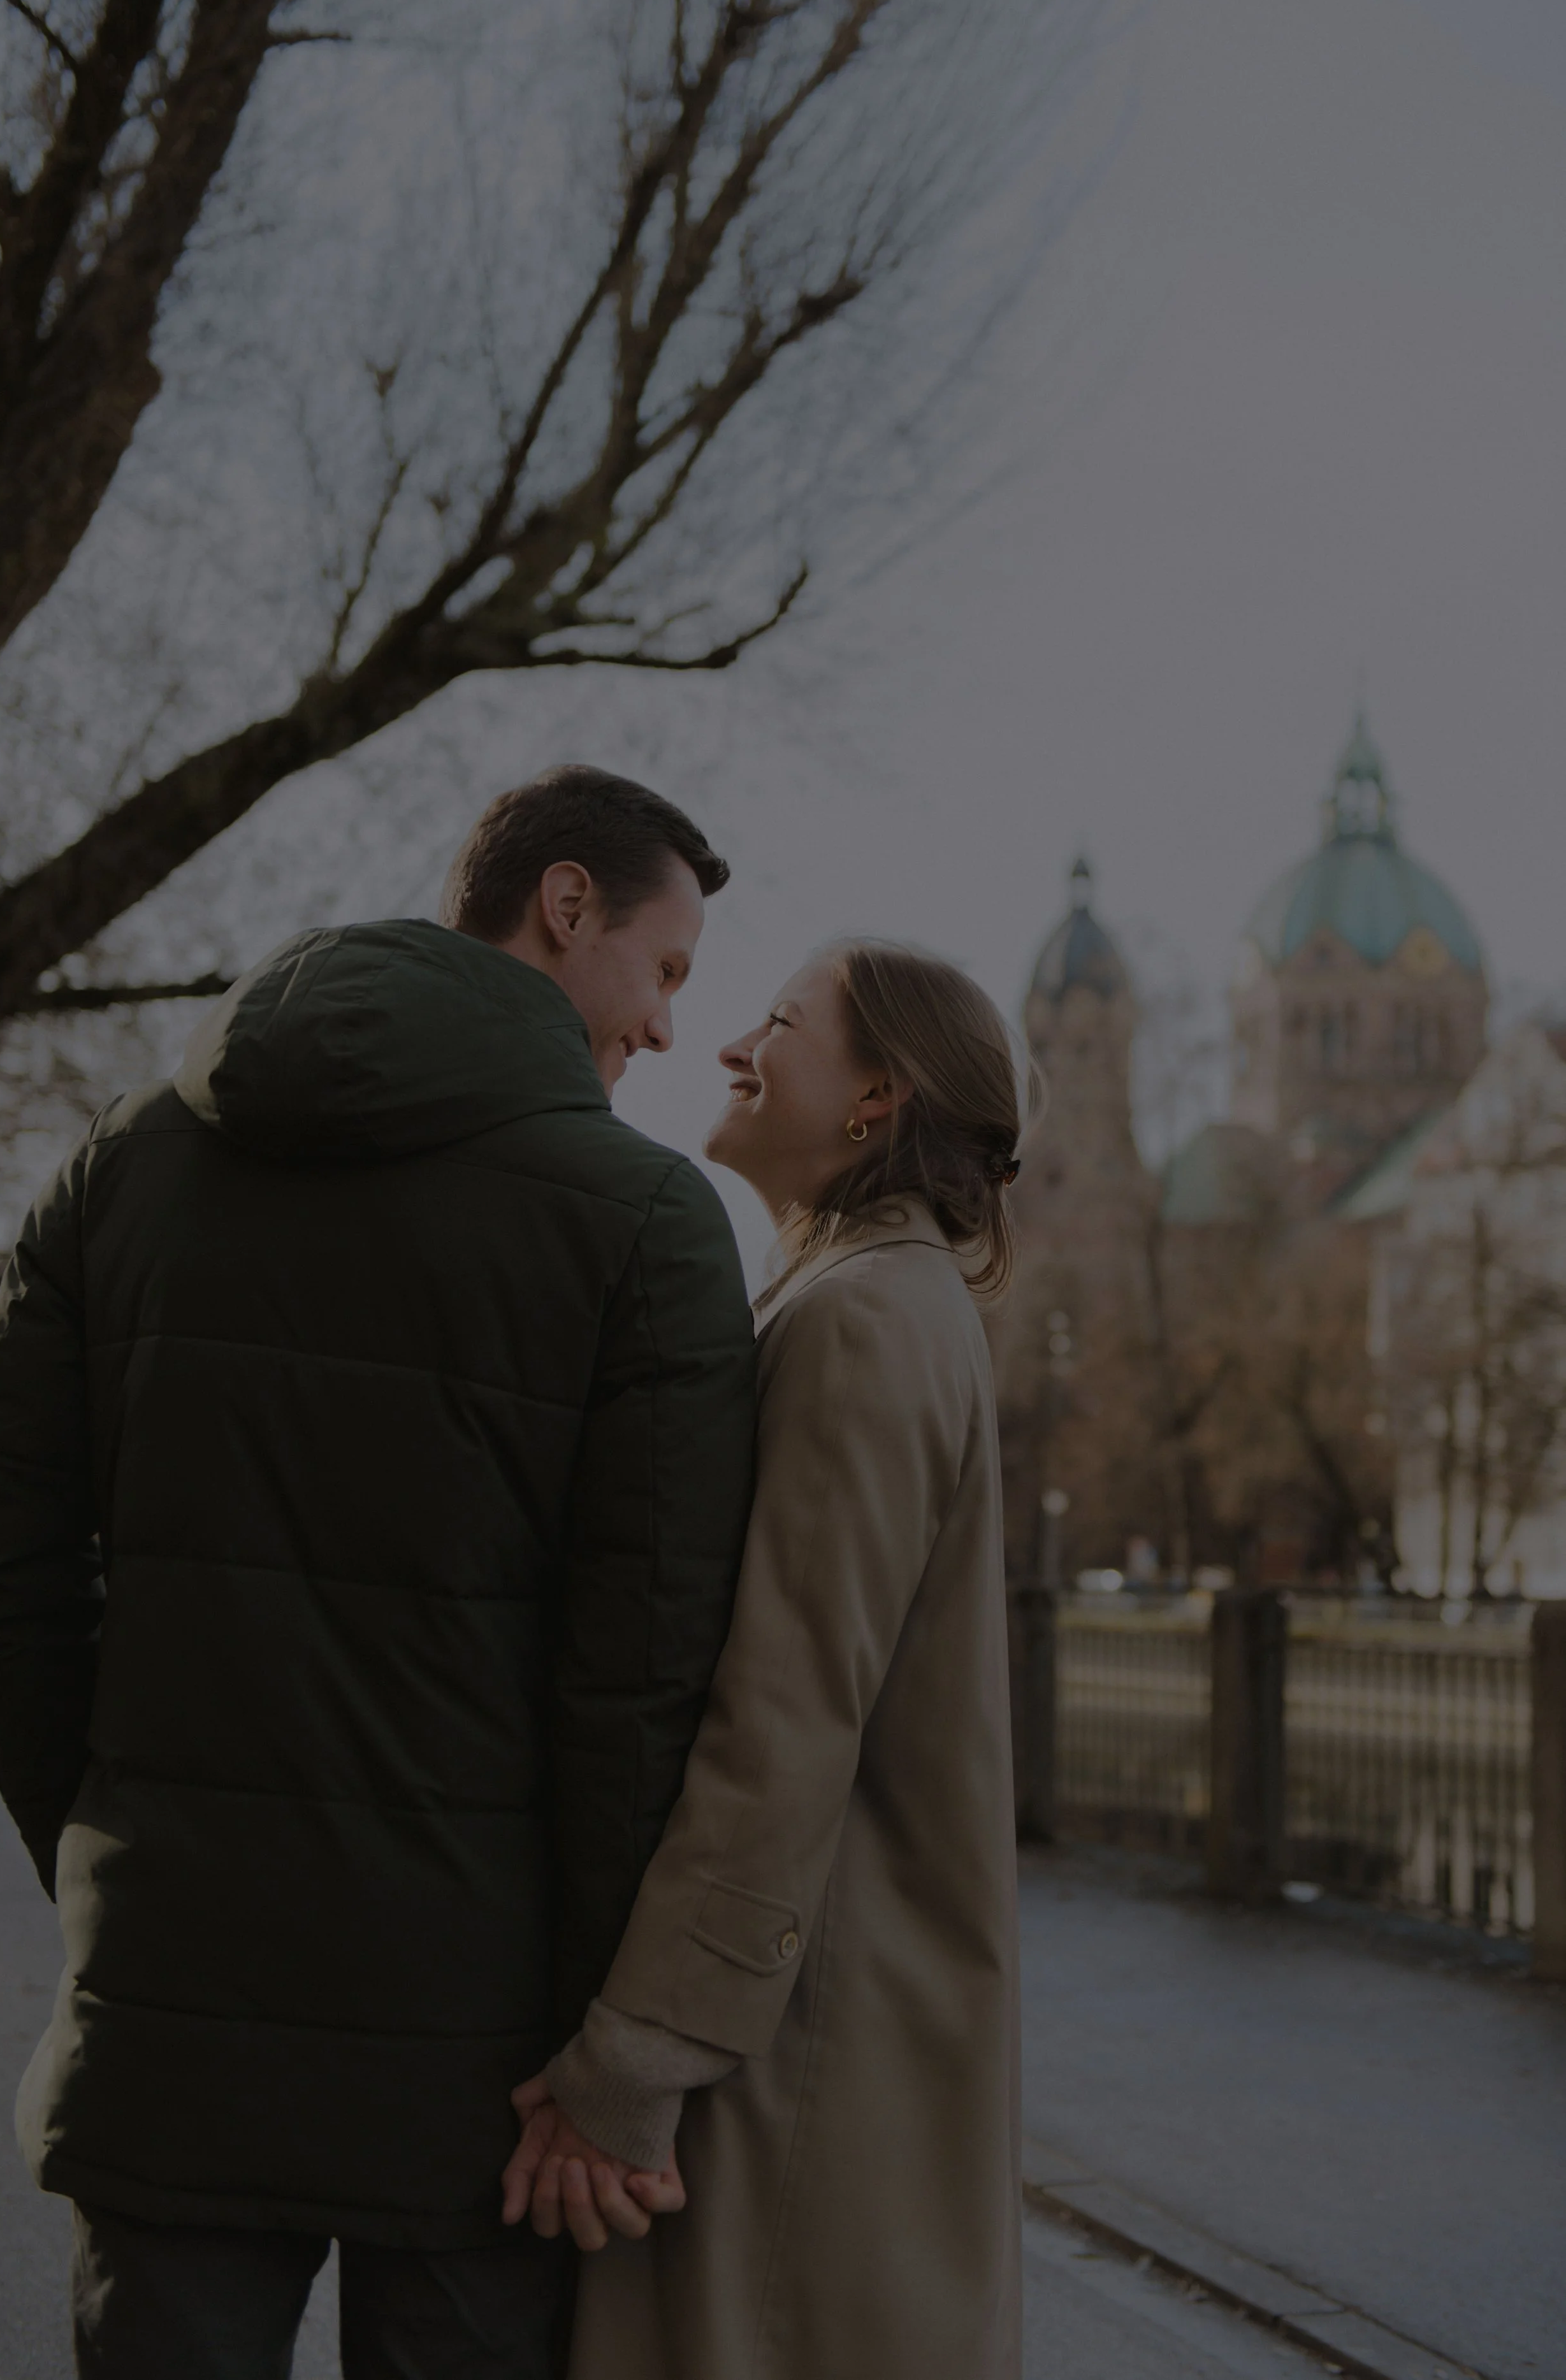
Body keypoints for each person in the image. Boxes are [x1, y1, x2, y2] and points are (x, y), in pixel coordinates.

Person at [0, 766, 759, 2380]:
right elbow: (640, 1684)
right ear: (564, 905)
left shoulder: (120, 1163)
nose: (669, 1026)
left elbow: (3, 1567)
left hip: (170, 2003)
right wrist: (597, 2053)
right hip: (484, 2060)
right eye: (665, 968)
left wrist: (112, 1848)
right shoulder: (644, 1225)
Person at [504, 940, 1026, 2380]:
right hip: (824, 2020)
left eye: (781, 1023)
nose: (732, 1043)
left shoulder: (859, 1320)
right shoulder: (875, 1299)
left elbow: (783, 1724)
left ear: (877, 1096)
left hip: (801, 2047)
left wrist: (636, 2060)